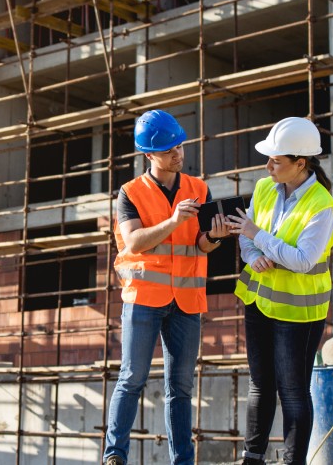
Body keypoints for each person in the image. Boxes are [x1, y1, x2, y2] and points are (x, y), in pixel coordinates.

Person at [103, 109, 232, 465]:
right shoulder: (129, 193)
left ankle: (183, 461)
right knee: (132, 378)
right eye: (169, 149)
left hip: (187, 300)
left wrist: (215, 238)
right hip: (145, 298)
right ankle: (115, 456)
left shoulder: (198, 188)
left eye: (180, 145)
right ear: (150, 155)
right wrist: (174, 220)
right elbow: (133, 243)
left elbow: (200, 244)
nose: (178, 153)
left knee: (181, 388)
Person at [226, 117, 333, 465]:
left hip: (299, 312)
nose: (268, 166)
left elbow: (303, 260)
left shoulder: (321, 206)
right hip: (260, 302)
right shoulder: (266, 188)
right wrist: (254, 256)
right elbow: (246, 235)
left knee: (292, 392)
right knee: (260, 385)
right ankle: (253, 458)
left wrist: (258, 238)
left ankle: (294, 461)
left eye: (276, 161)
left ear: (300, 163)